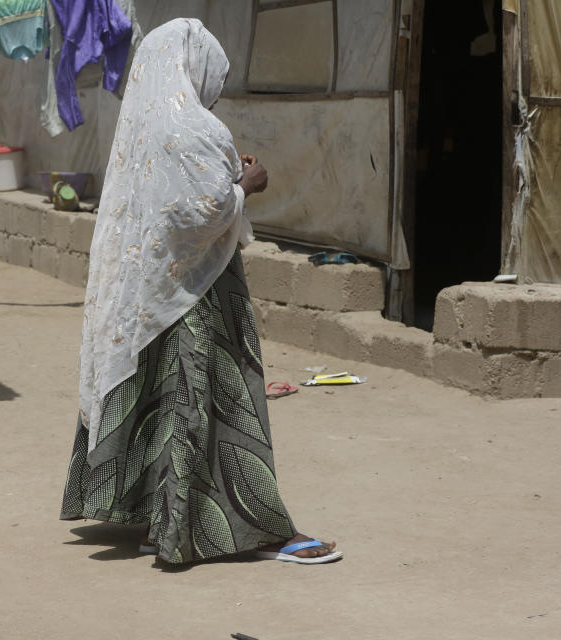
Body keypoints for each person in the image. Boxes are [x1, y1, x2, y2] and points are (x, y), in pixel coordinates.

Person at [60, 18, 342, 565]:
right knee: (208, 406)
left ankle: (160, 519)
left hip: (148, 293)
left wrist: (229, 180)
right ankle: (238, 529)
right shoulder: (192, 126)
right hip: (197, 292)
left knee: (162, 401)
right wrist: (246, 184)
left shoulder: (140, 125)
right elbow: (202, 210)